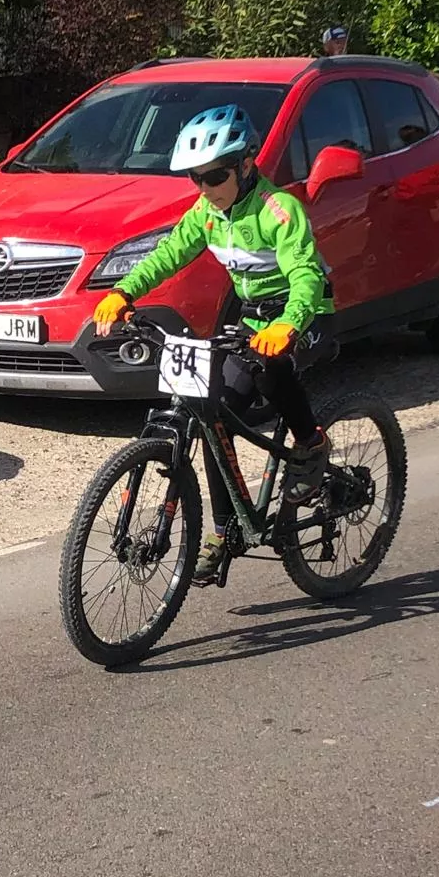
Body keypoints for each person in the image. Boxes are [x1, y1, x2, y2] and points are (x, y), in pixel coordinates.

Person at [92, 104, 335, 584]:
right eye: (195, 178)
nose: (204, 188)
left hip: (306, 314)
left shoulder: (278, 210)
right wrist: (123, 292)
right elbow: (168, 254)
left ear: (245, 164)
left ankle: (311, 445)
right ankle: (225, 531)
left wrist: (288, 324)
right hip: (253, 317)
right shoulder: (207, 213)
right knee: (212, 413)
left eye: (215, 176)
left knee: (270, 368)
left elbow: (306, 276)